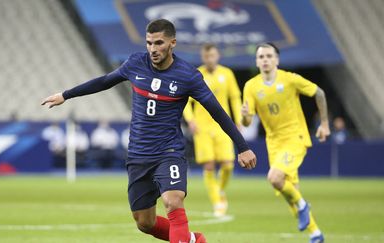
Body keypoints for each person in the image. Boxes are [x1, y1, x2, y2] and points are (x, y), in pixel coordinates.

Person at [41, 19, 256, 243]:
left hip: (168, 151)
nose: (153, 49)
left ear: (173, 43)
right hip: (138, 154)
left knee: (173, 201)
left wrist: (242, 147)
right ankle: (193, 240)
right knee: (145, 222)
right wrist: (66, 95)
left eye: (159, 43)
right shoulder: (135, 63)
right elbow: (105, 81)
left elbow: (217, 112)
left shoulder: (188, 76)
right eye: (149, 43)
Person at [241, 43, 329, 243]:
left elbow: (319, 93)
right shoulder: (251, 86)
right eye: (261, 56)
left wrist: (324, 124)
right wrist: (245, 116)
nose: (265, 59)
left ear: (277, 60)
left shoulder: (290, 79)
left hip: (295, 137)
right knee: (291, 192)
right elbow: (247, 121)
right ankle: (316, 234)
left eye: (269, 56)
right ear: (256, 61)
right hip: (273, 143)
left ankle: (304, 205)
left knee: (274, 178)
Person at [183, 43, 241, 217]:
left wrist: (237, 120)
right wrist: (190, 120)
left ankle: (220, 191)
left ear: (218, 56)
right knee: (209, 164)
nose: (210, 59)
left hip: (223, 125)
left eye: (213, 55)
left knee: (228, 164)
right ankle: (218, 202)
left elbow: (235, 98)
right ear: (203, 57)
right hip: (203, 127)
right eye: (207, 56)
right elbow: (186, 100)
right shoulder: (196, 74)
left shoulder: (227, 74)